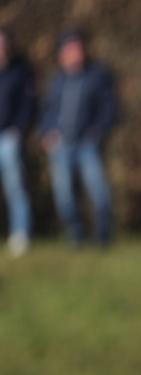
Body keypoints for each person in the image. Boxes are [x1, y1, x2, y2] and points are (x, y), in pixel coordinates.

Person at [40, 29, 119, 245]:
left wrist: (97, 132)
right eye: (69, 50)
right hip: (61, 145)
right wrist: (47, 132)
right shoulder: (56, 81)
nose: (74, 54)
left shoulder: (98, 76)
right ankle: (76, 239)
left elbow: (110, 109)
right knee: (64, 198)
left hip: (87, 143)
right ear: (61, 54)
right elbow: (47, 111)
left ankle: (103, 240)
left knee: (99, 194)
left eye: (77, 49)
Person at [0, 29, 36, 257]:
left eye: (2, 46)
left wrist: (19, 130)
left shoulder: (21, 72)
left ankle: (20, 234)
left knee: (15, 187)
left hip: (9, 138)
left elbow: (29, 105)